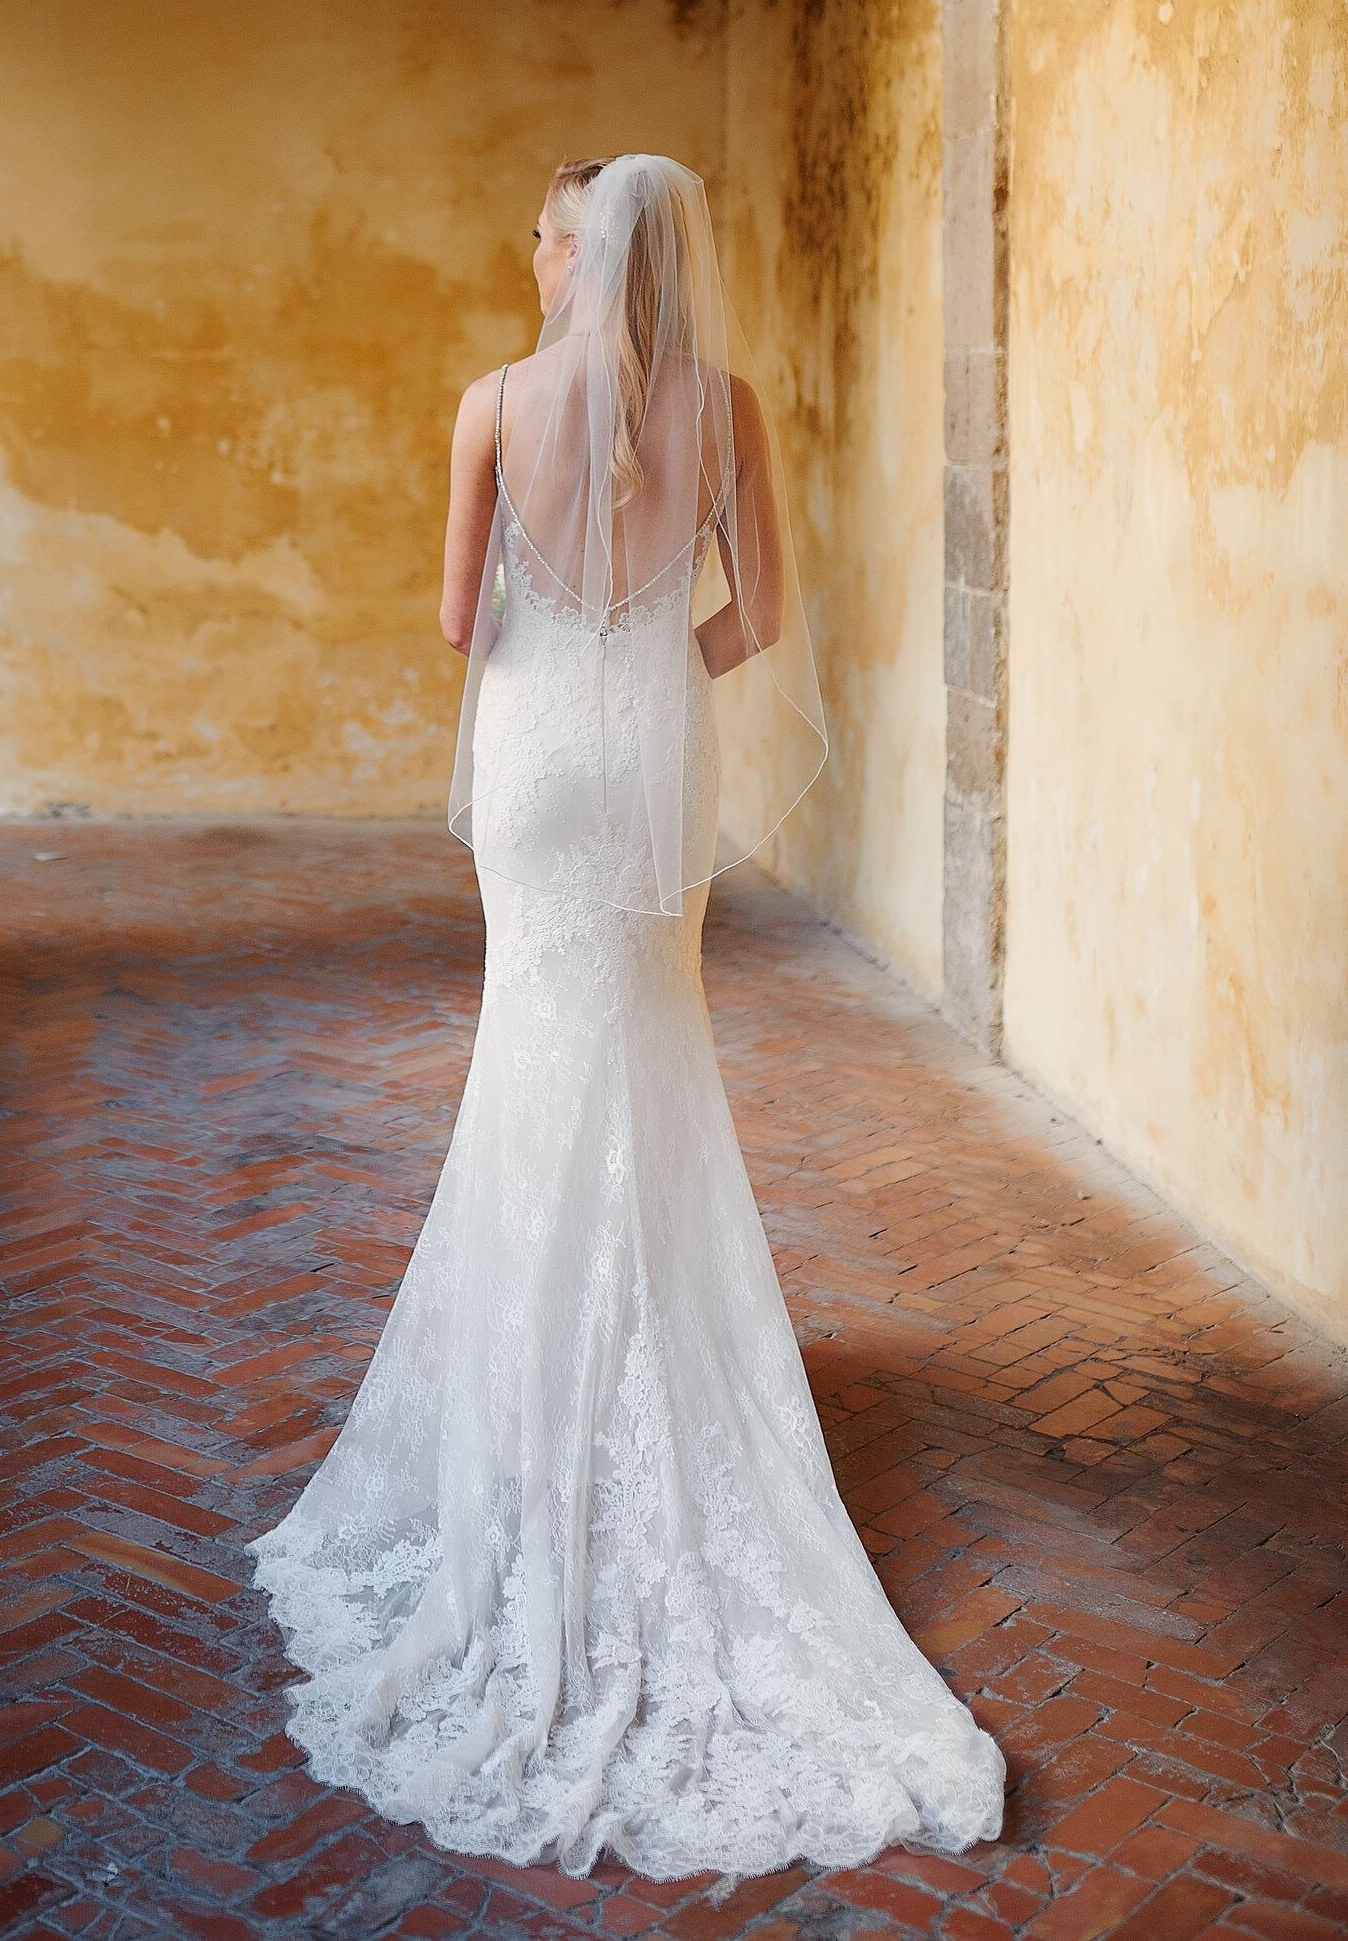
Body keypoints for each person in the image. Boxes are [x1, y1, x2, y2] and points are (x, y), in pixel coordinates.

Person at [251, 154, 1005, 1879]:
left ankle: (531, 1412)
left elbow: (460, 621)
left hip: (531, 767)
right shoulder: (724, 405)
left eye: (538, 229)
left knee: (533, 1060)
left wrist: (561, 623)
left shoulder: (492, 403)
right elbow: (770, 617)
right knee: (647, 1058)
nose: (526, 252)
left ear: (581, 247)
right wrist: (657, 650)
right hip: (648, 766)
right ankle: (651, 1374)